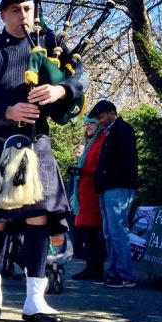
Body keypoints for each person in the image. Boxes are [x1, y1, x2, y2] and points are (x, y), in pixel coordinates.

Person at [0, 0, 89, 322]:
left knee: (39, 218)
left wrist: (62, 89)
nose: (23, 16)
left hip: (36, 141)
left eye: (28, 9)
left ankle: (35, 301)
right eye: (15, 10)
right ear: (3, 15)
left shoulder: (50, 46)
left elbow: (82, 77)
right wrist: (6, 108)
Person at [90, 100, 139, 288]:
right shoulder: (109, 133)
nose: (99, 121)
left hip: (119, 187)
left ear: (112, 113)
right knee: (110, 233)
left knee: (118, 231)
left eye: (101, 117)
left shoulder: (123, 130)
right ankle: (113, 271)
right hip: (108, 188)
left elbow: (125, 161)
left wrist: (106, 177)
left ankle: (125, 274)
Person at [70, 115, 107, 281]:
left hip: (93, 193)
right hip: (84, 192)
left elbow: (101, 167)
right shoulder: (91, 143)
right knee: (88, 234)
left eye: (91, 122)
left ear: (98, 123)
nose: (87, 125)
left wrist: (82, 172)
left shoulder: (102, 140)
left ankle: (96, 269)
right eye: (86, 123)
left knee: (93, 234)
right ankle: (91, 267)